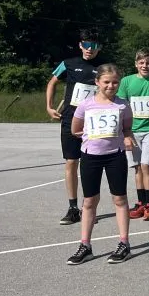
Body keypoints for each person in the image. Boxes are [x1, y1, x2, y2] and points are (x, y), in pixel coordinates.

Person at [66, 63, 134, 265]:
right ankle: (85, 245)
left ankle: (124, 243)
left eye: (115, 82)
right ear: (97, 82)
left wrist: (127, 137)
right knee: (89, 201)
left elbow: (127, 128)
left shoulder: (123, 105)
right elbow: (75, 130)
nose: (111, 86)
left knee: (120, 199)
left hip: (115, 157)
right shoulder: (86, 105)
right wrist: (91, 136)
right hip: (90, 157)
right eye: (106, 82)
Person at [46, 29, 102, 226]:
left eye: (93, 46)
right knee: (71, 162)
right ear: (80, 45)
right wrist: (49, 107)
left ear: (99, 48)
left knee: (90, 164)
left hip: (93, 122)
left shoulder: (103, 67)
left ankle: (89, 208)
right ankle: (72, 208)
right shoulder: (68, 63)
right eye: (86, 45)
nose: (89, 49)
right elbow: (52, 83)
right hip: (70, 120)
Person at [117, 49, 149, 221]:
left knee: (146, 165)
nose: (145, 66)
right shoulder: (126, 81)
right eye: (142, 63)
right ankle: (141, 202)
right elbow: (121, 106)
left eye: (148, 63)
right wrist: (124, 133)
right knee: (137, 167)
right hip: (132, 131)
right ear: (136, 64)